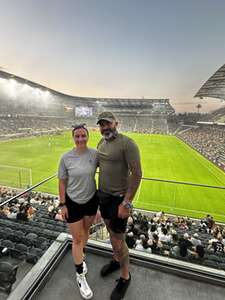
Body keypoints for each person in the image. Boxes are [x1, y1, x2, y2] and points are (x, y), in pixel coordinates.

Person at [97, 112, 142, 300]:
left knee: (118, 240)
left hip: (118, 200)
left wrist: (126, 202)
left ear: (116, 123)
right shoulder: (101, 143)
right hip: (104, 197)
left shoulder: (127, 143)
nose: (105, 127)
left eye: (108, 124)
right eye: (102, 125)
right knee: (110, 232)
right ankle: (116, 260)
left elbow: (137, 173)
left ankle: (125, 276)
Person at [58, 124, 98, 299]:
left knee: (86, 233)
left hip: (91, 200)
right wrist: (62, 204)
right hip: (73, 202)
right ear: (73, 138)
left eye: (83, 136)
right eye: (77, 136)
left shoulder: (94, 154)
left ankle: (81, 257)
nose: (80, 139)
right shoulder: (66, 158)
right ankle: (80, 274)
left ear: (88, 136)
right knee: (77, 239)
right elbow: (61, 182)